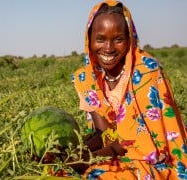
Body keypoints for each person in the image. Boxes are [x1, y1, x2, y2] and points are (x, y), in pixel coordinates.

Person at [70, 0, 187, 179]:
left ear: (130, 39)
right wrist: (75, 153)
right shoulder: (85, 78)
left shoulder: (146, 71)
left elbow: (143, 145)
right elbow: (105, 132)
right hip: (114, 152)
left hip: (153, 158)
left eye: (118, 39)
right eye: (100, 39)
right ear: (89, 39)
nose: (108, 48)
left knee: (99, 175)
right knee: (59, 170)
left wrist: (91, 158)